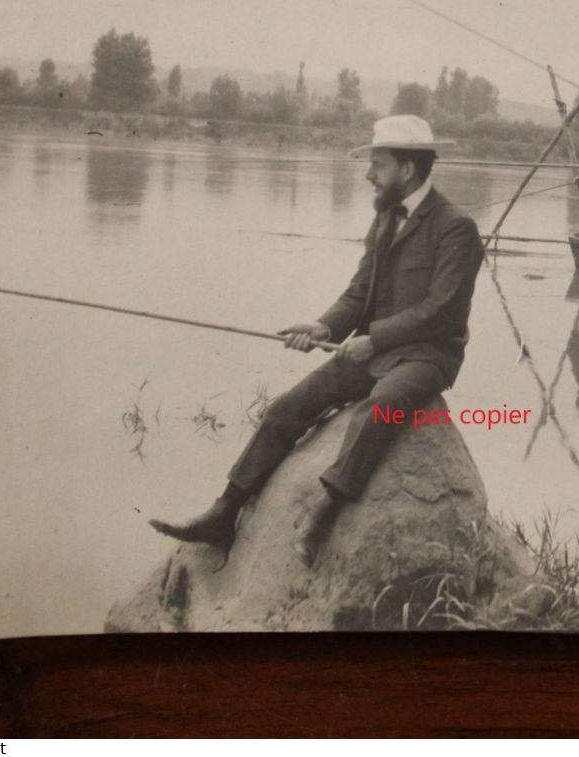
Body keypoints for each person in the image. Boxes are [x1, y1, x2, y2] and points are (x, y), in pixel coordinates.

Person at [148, 114, 484, 566]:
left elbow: (441, 311)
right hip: (372, 350)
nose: (369, 175)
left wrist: (373, 340)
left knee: (381, 405)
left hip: (428, 355)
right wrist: (324, 328)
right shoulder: (385, 219)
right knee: (286, 408)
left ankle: (325, 513)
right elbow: (360, 292)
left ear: (407, 169)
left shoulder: (455, 226)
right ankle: (224, 511)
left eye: (378, 165)